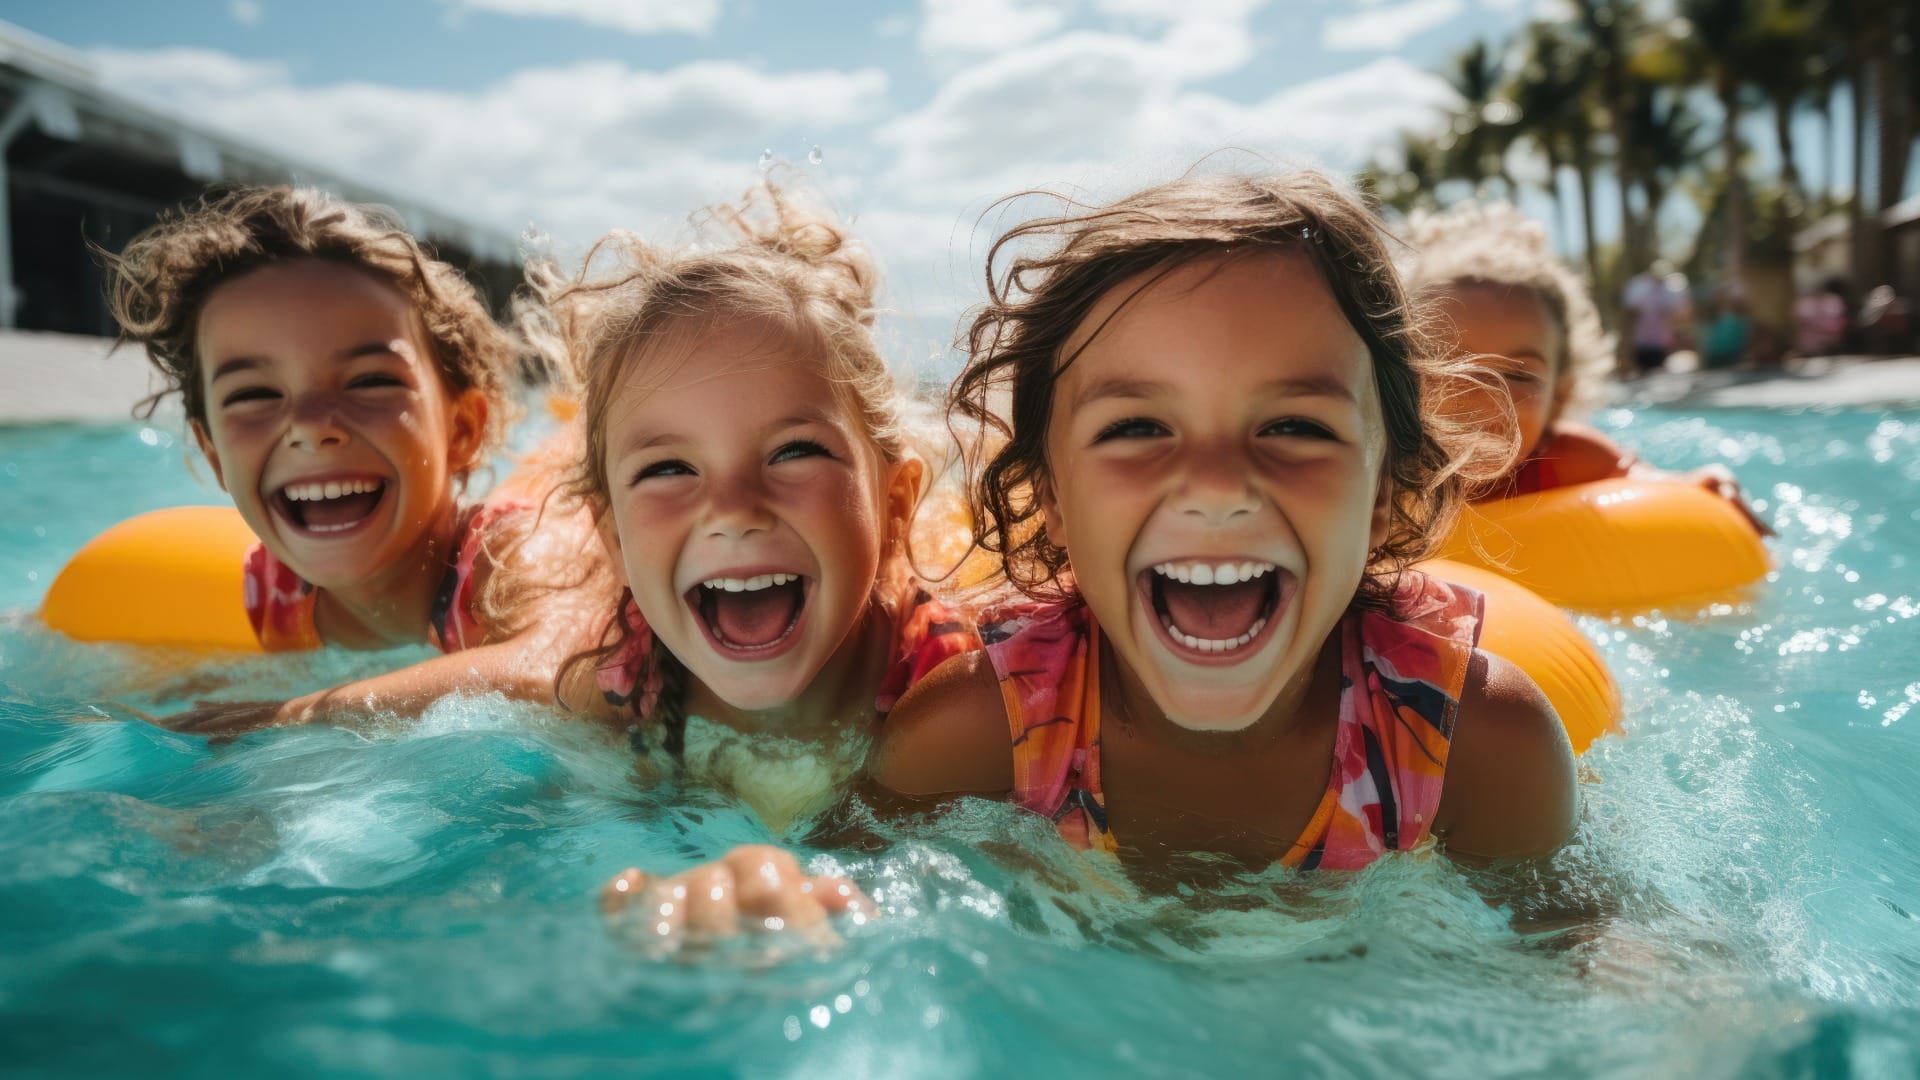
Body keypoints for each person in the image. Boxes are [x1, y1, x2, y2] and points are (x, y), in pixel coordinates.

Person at [540, 183, 977, 831]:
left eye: (794, 452)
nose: (733, 510)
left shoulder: (959, 701)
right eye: (668, 468)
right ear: (612, 538)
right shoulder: (622, 690)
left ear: (894, 503)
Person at [104, 186, 610, 731]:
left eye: (370, 381)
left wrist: (274, 720)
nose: (311, 426)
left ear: (461, 427)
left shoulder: (509, 562)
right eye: (253, 394)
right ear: (214, 455)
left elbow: (560, 673)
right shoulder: (274, 593)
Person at [1399, 201, 1772, 534]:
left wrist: (1708, 483)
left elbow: (1665, 487)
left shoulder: (1570, 459)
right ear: (1398, 377)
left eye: (1519, 374)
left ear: (1558, 399)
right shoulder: (1388, 475)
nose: (1484, 393)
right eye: (1448, 363)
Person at [1621, 260, 1686, 375]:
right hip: (1643, 338)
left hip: (1662, 338)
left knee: (1659, 367)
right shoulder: (1640, 286)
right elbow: (1632, 309)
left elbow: (1675, 310)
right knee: (1644, 367)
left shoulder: (1669, 288)